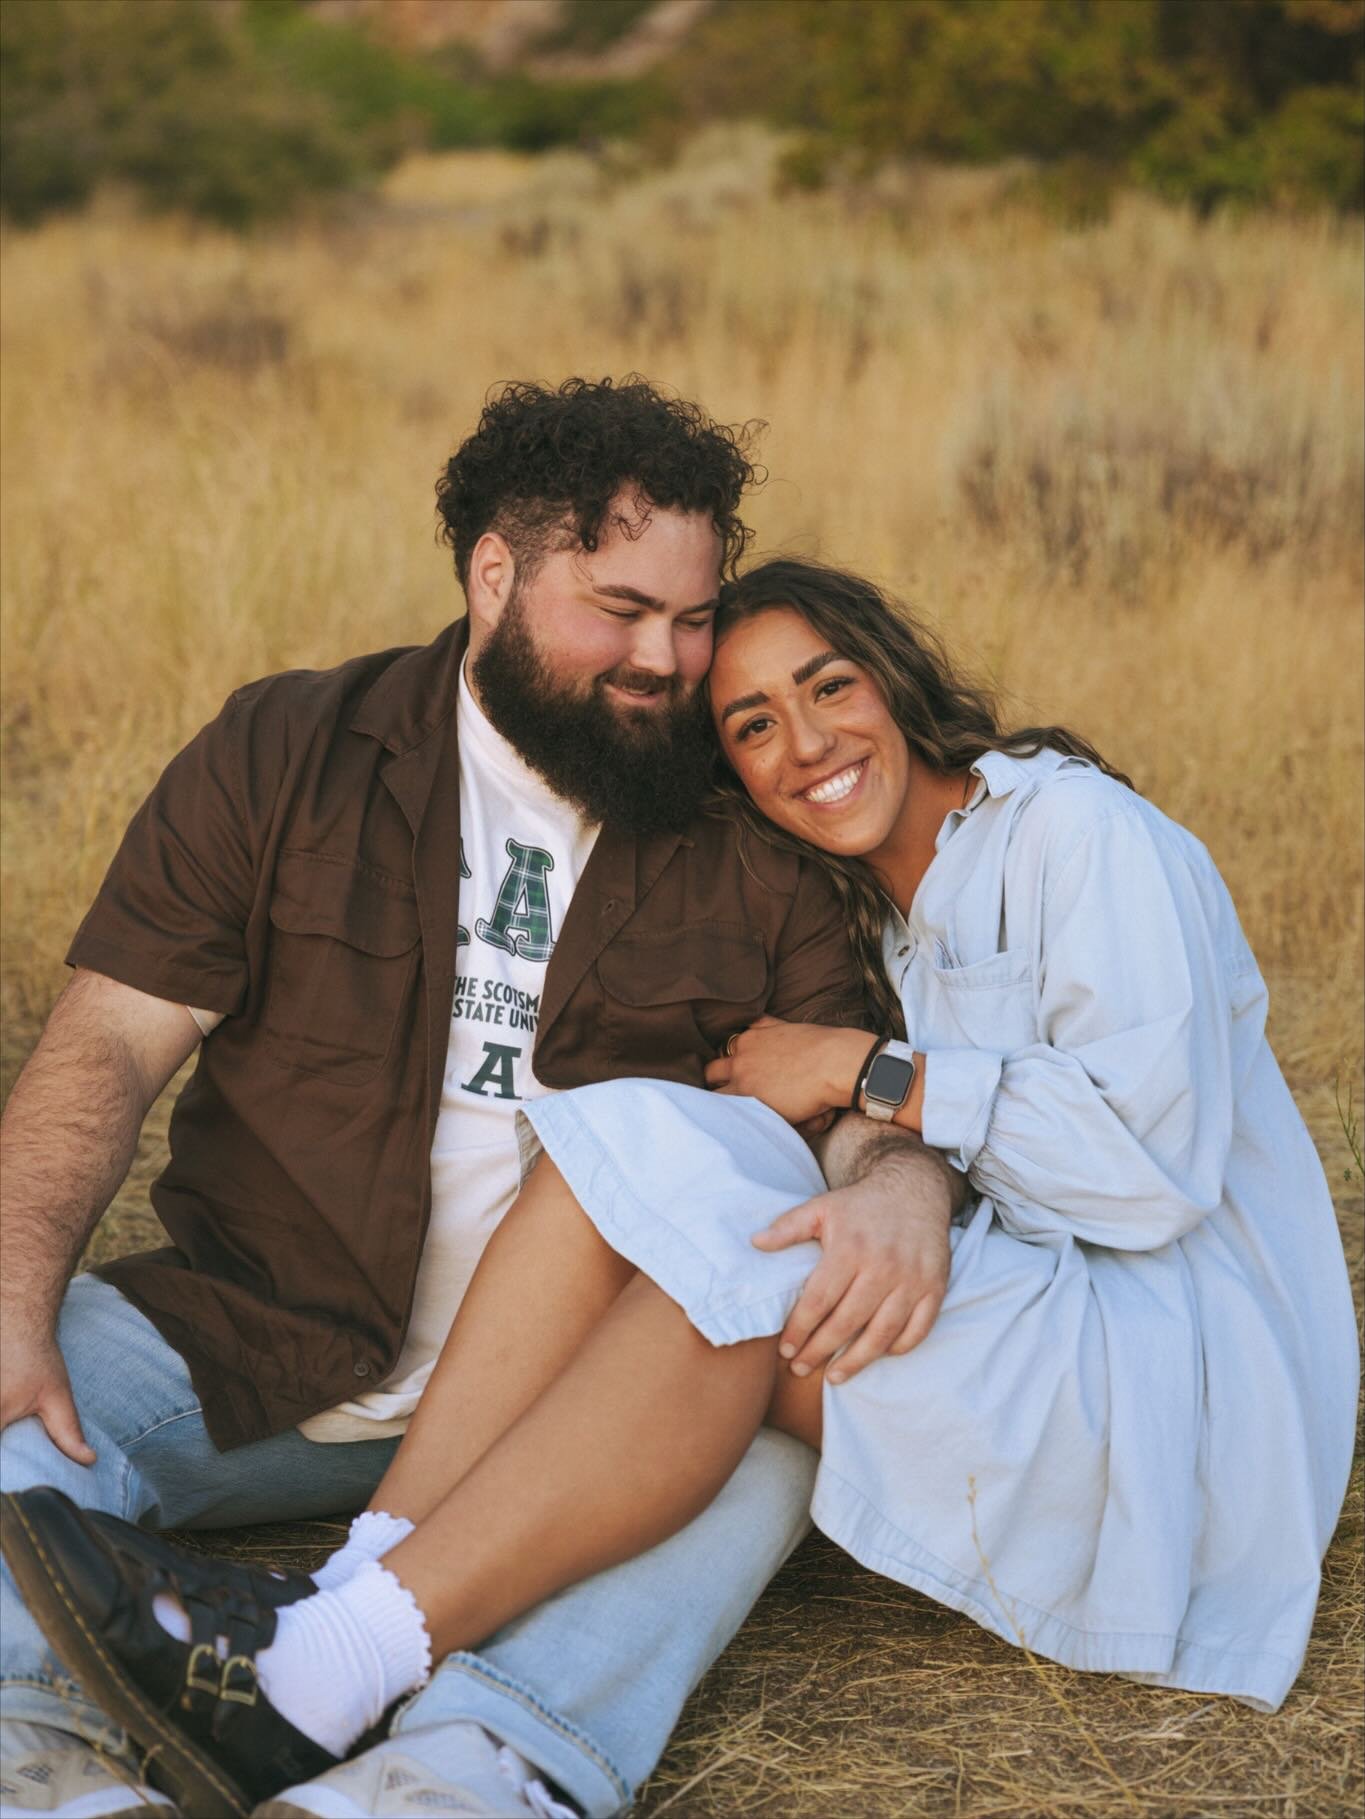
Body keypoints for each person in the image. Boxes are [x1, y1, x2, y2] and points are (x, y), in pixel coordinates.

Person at [0, 392, 962, 1819]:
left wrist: (898, 1187)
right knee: (13, 1418)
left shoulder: (747, 825)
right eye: (620, 608)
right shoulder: (287, 751)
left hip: (582, 1389)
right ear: (494, 576)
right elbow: (109, 1045)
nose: (663, 660)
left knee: (758, 1443)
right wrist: (17, 1293)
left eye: (690, 619)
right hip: (256, 1330)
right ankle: (44, 1761)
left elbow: (848, 1091)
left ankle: (457, 1777)